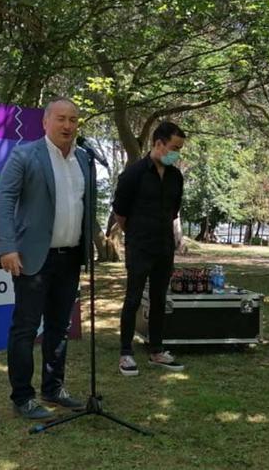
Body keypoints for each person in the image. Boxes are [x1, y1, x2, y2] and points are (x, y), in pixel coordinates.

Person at [0, 97, 91, 419]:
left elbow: (82, 206)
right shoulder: (25, 155)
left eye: (73, 120)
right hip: (34, 259)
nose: (67, 126)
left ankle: (54, 387)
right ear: (45, 122)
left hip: (70, 257)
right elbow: (4, 200)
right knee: (25, 329)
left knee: (60, 327)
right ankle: (23, 396)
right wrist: (7, 247)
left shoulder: (84, 160)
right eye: (61, 119)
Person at [112, 121, 186, 376]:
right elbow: (120, 213)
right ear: (158, 144)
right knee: (133, 298)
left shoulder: (176, 177)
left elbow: (173, 211)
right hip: (139, 246)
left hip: (165, 247)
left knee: (159, 298)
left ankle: (157, 350)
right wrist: (135, 235)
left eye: (179, 149)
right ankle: (125, 353)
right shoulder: (133, 174)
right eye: (174, 148)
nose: (177, 153)